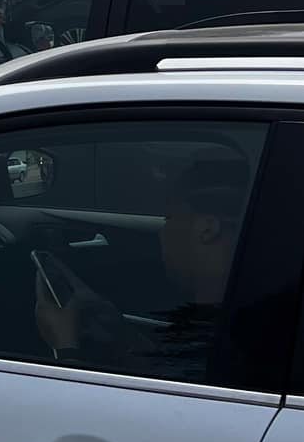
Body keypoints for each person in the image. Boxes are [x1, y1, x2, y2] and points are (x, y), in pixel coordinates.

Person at [32, 153, 250, 380]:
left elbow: (166, 400)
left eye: (169, 218)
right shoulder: (228, 322)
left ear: (207, 229)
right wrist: (120, 333)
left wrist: (64, 346)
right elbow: (169, 373)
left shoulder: (233, 341)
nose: (162, 233)